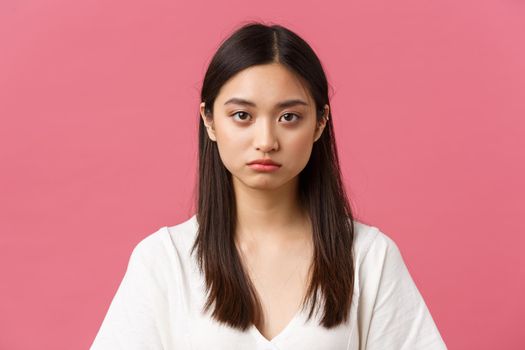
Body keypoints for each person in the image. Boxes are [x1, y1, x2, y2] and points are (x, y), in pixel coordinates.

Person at [90, 22, 447, 349]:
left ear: (320, 123)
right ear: (210, 121)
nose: (266, 140)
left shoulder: (369, 257)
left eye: (289, 117)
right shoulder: (163, 260)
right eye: (242, 116)